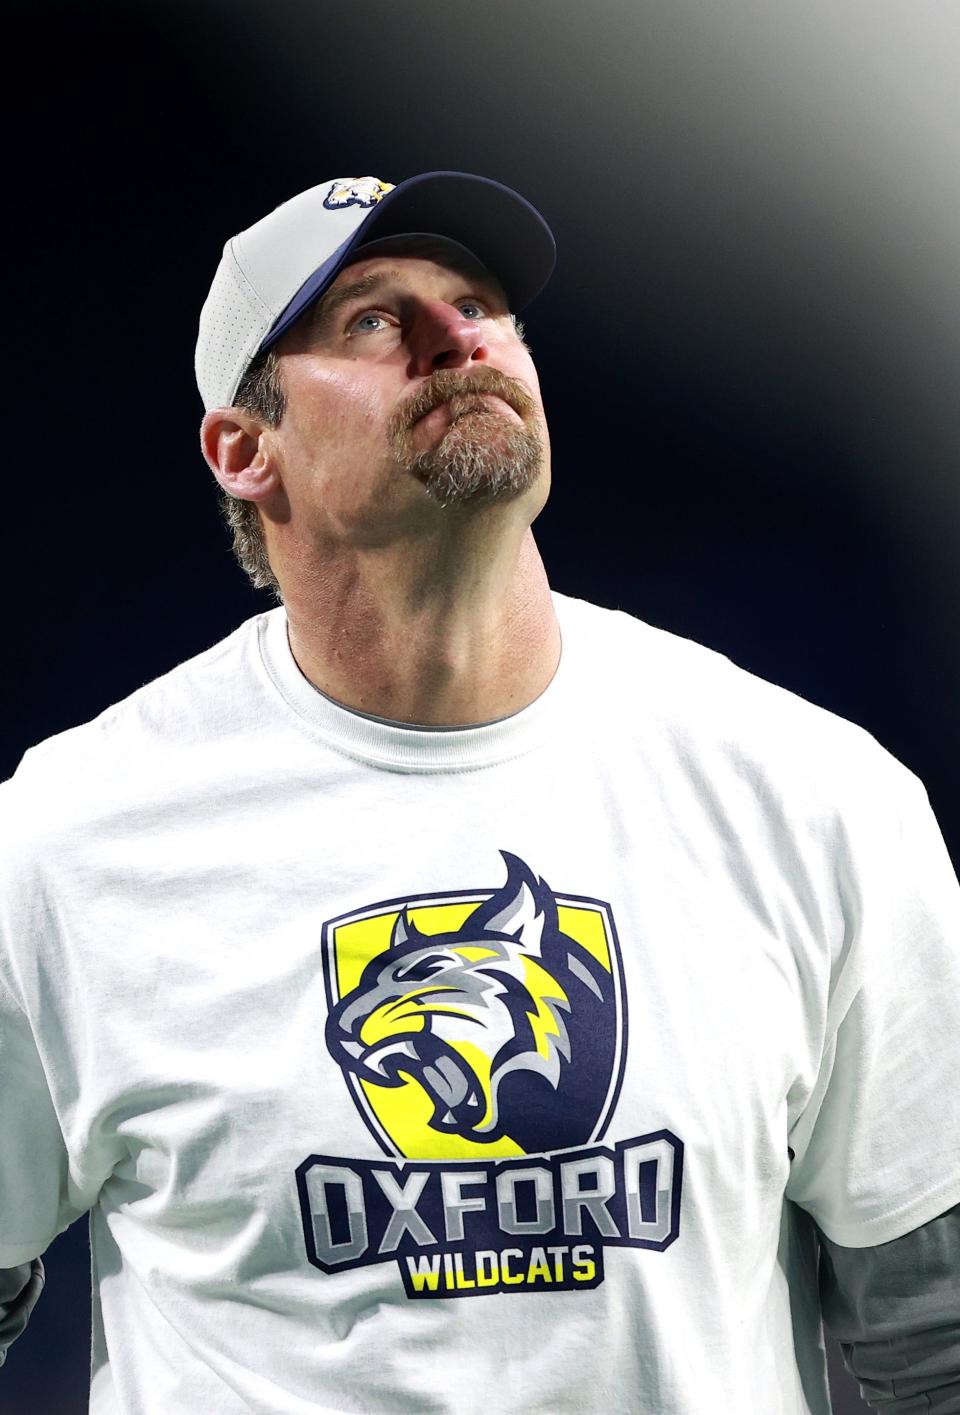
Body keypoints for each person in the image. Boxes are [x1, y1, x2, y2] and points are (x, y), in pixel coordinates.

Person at [1, 171, 958, 1414]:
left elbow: (935, 1337)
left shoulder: (814, 798)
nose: (459, 336)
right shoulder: (67, 839)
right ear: (246, 451)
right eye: (373, 321)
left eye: (482, 305)